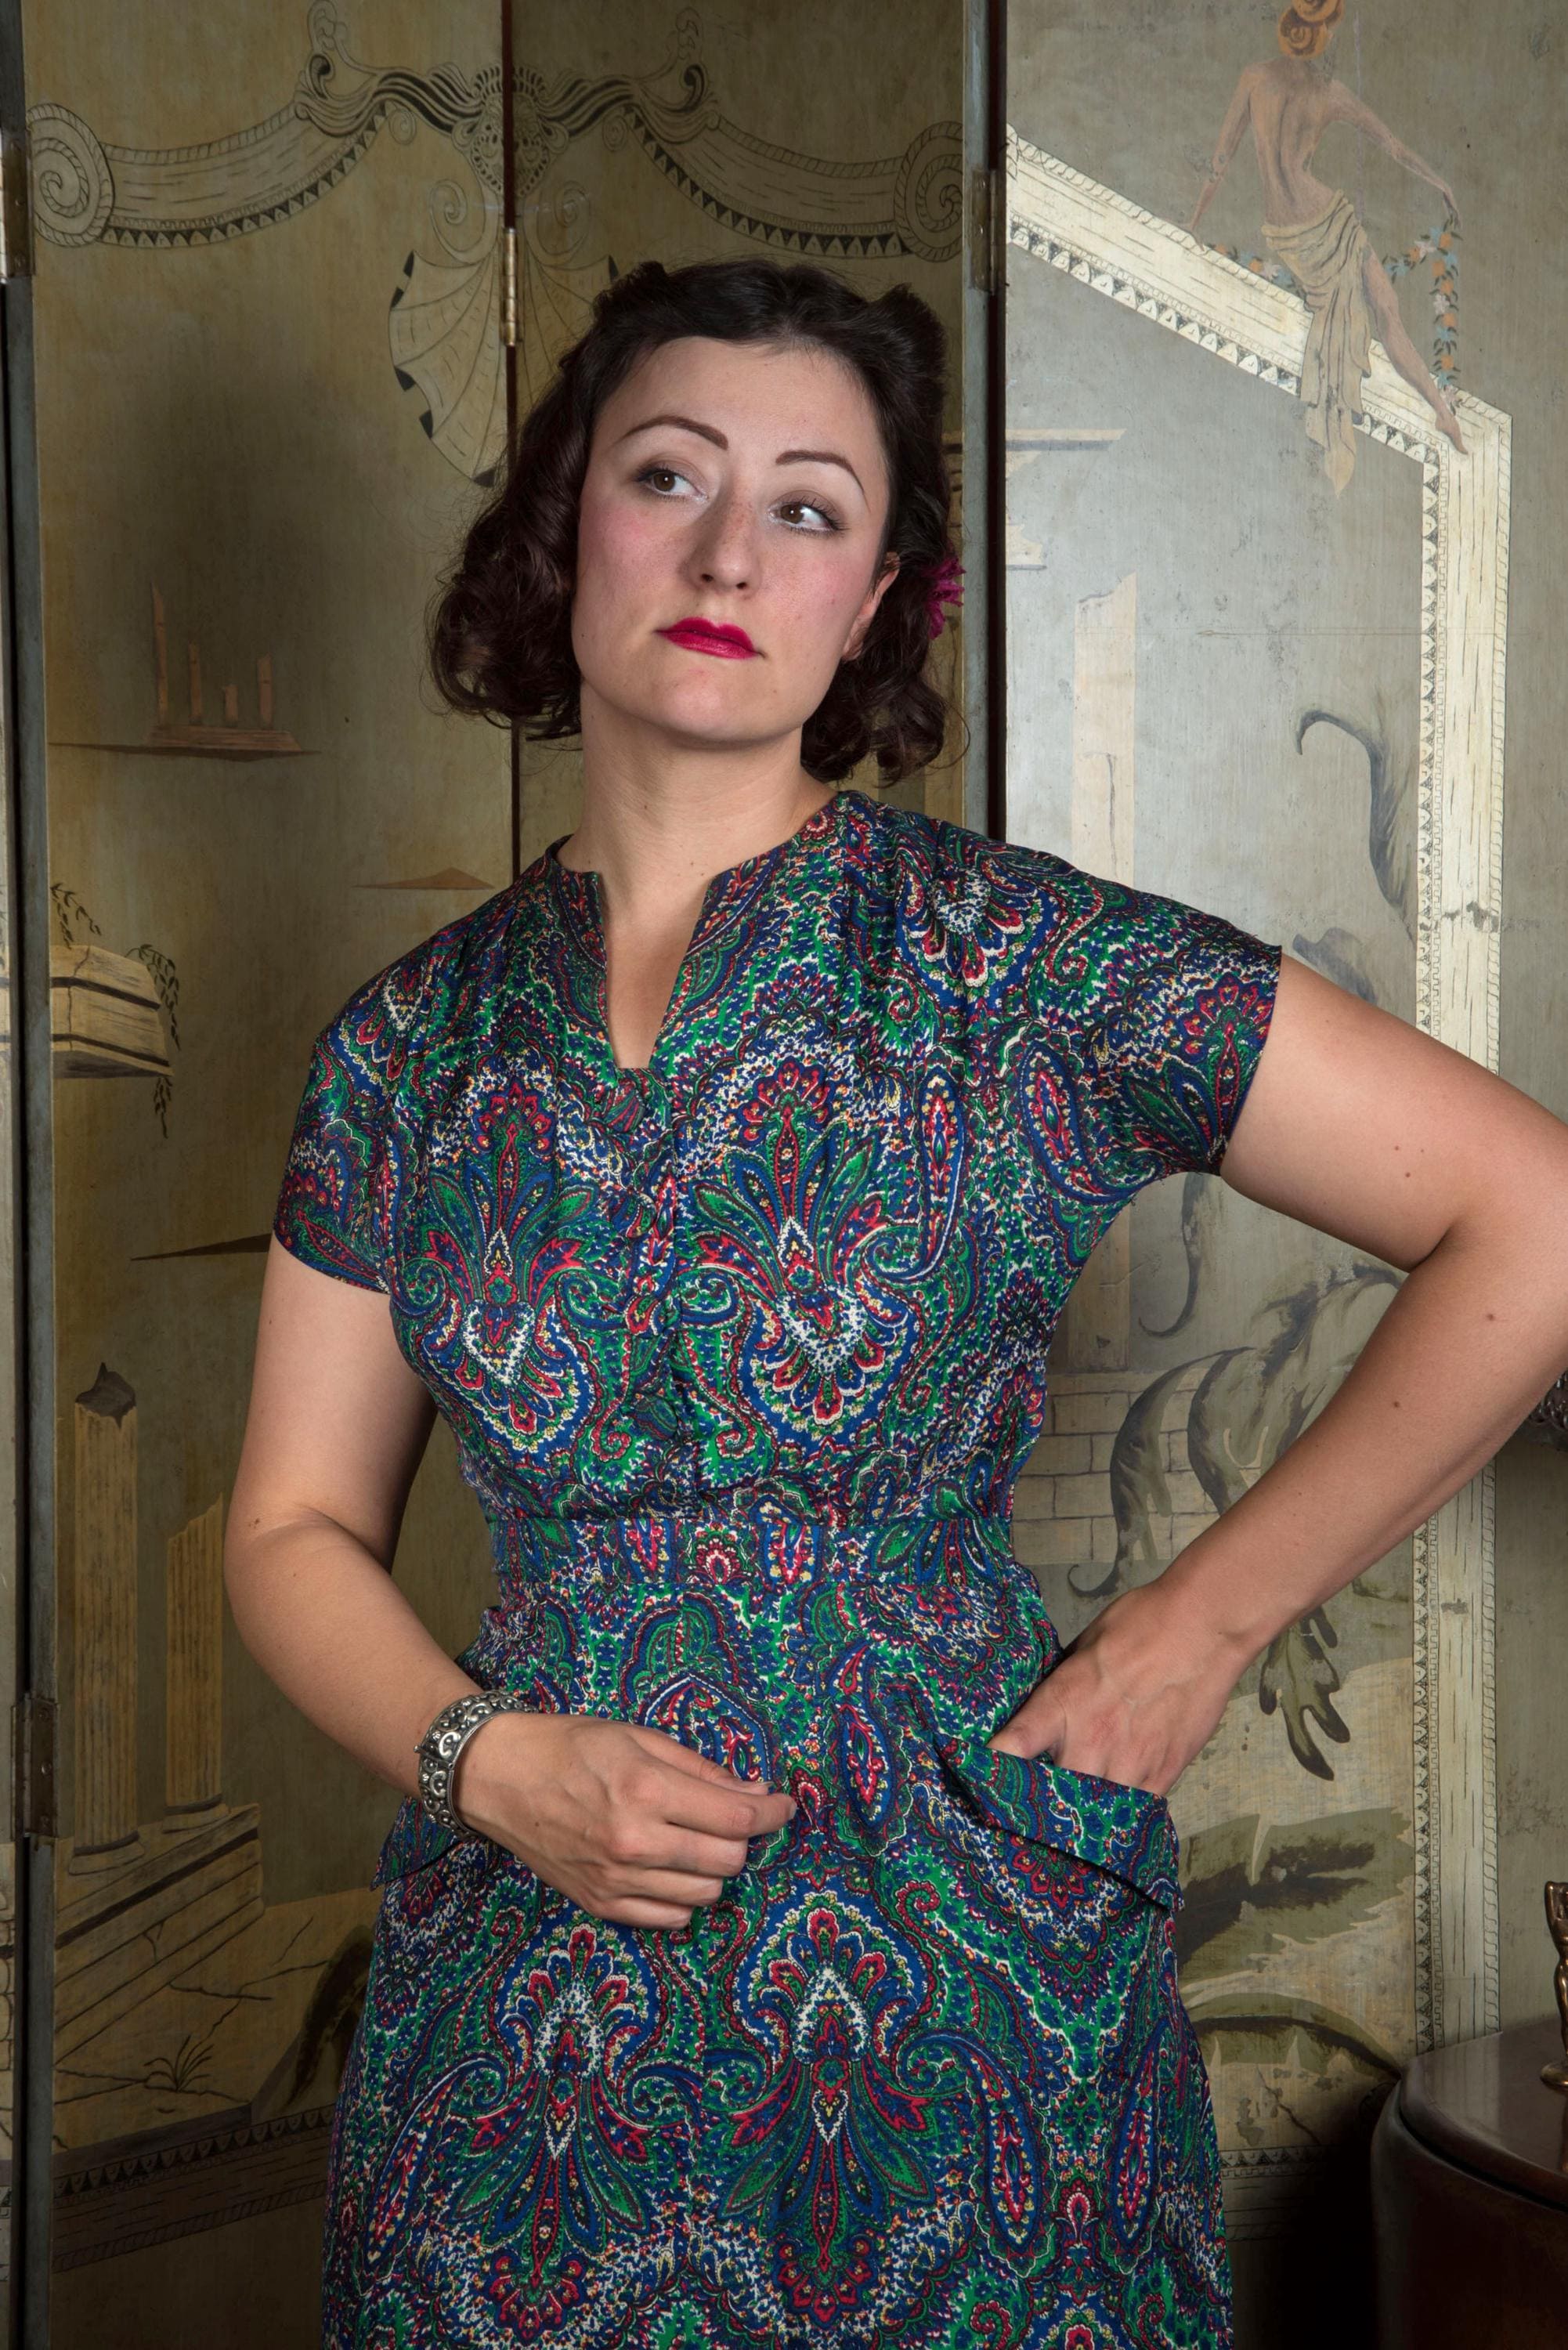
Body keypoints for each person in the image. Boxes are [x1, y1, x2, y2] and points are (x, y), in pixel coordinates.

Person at [226, 255, 1568, 2348]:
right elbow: (293, 1524)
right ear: (565, 524)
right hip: (523, 1990)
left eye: (808, 506)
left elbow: (1534, 1216)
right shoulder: (406, 1047)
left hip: (957, 1962)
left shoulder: (1017, 966)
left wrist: (1198, 1630)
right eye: (667, 475)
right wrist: (485, 1764)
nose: (728, 551)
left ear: (870, 602)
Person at [1188, 0, 1465, 494]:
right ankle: (1441, 410)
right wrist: (1439, 181)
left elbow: (1220, 159)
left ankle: (1440, 411)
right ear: (1323, 36)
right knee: (1386, 309)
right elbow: (1394, 146)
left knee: (1381, 307)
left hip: (1287, 232)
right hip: (1327, 226)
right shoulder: (1329, 93)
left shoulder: (1254, 78)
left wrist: (1193, 221)